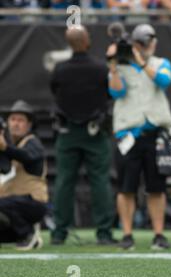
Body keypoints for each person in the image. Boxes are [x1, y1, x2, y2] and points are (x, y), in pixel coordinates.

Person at [108, 24, 171, 250]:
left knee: (156, 187)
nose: (146, 46)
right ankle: (127, 234)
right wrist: (113, 65)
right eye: (141, 43)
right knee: (126, 187)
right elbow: (116, 92)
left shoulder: (160, 63)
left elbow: (164, 82)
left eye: (149, 42)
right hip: (128, 134)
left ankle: (158, 234)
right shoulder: (122, 67)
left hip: (155, 134)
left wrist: (142, 62)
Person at [50, 25, 116, 245]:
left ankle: (59, 232)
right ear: (87, 41)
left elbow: (55, 92)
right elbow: (110, 94)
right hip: (95, 132)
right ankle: (104, 233)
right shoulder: (100, 68)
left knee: (64, 181)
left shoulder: (60, 69)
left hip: (68, 131)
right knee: (100, 181)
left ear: (69, 43)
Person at [0, 101, 48, 250]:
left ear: (29, 125)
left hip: (33, 203)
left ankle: (27, 233)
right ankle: (19, 234)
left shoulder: (33, 142)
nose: (15, 124)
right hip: (13, 204)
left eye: (20, 120)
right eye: (13, 119)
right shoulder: (10, 146)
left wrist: (5, 148)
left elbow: (27, 157)